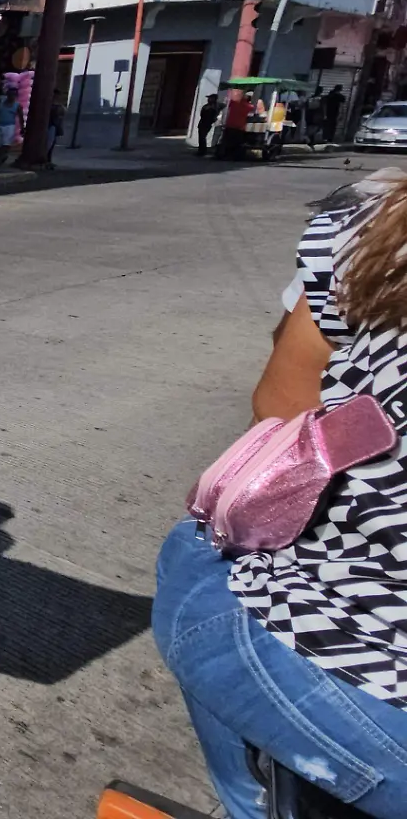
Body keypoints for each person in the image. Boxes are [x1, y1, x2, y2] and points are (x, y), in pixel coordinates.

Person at [154, 180, 407, 819]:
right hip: (290, 613)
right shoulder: (379, 223)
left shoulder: (378, 222)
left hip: (249, 589)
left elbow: (281, 400)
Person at [220, 88, 252, 160]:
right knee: (236, 143)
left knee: (227, 141)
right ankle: (232, 156)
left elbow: (227, 103)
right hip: (239, 127)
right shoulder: (248, 106)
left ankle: (225, 154)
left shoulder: (234, 103)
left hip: (229, 124)